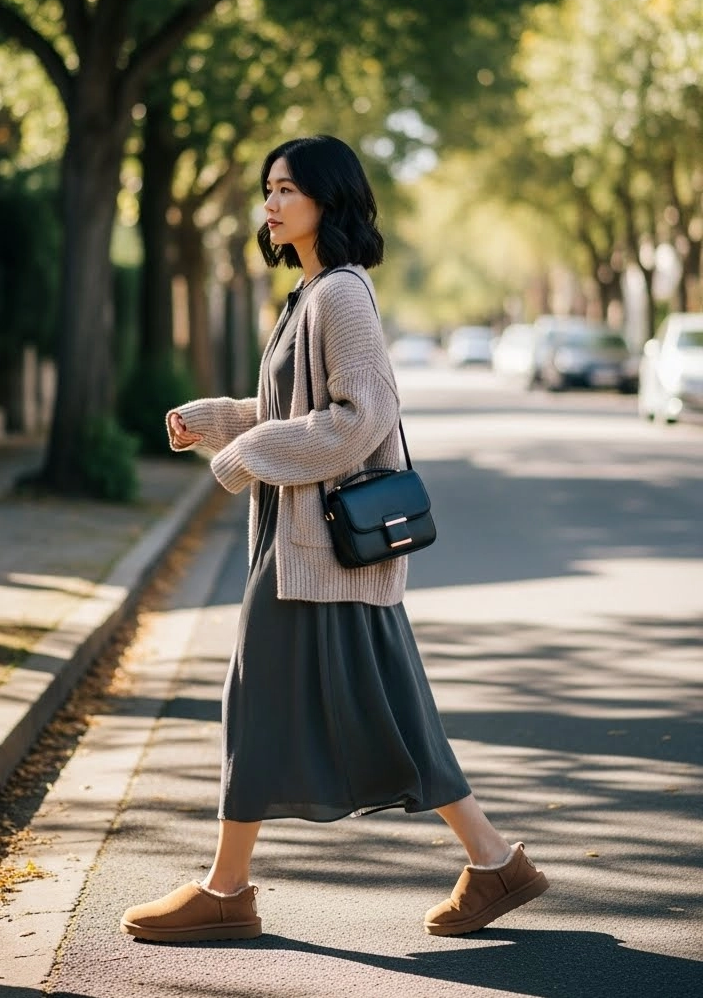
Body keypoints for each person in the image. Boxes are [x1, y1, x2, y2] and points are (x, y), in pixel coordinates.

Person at [120, 135, 548, 945]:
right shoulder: (309, 292)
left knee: (264, 700)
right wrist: (214, 420)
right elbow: (292, 408)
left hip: (320, 547)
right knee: (382, 708)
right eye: (267, 190)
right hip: (307, 543)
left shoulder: (341, 296)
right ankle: (493, 862)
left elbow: (362, 418)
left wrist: (246, 454)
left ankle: (228, 889)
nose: (270, 204)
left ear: (328, 198)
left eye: (286, 189)